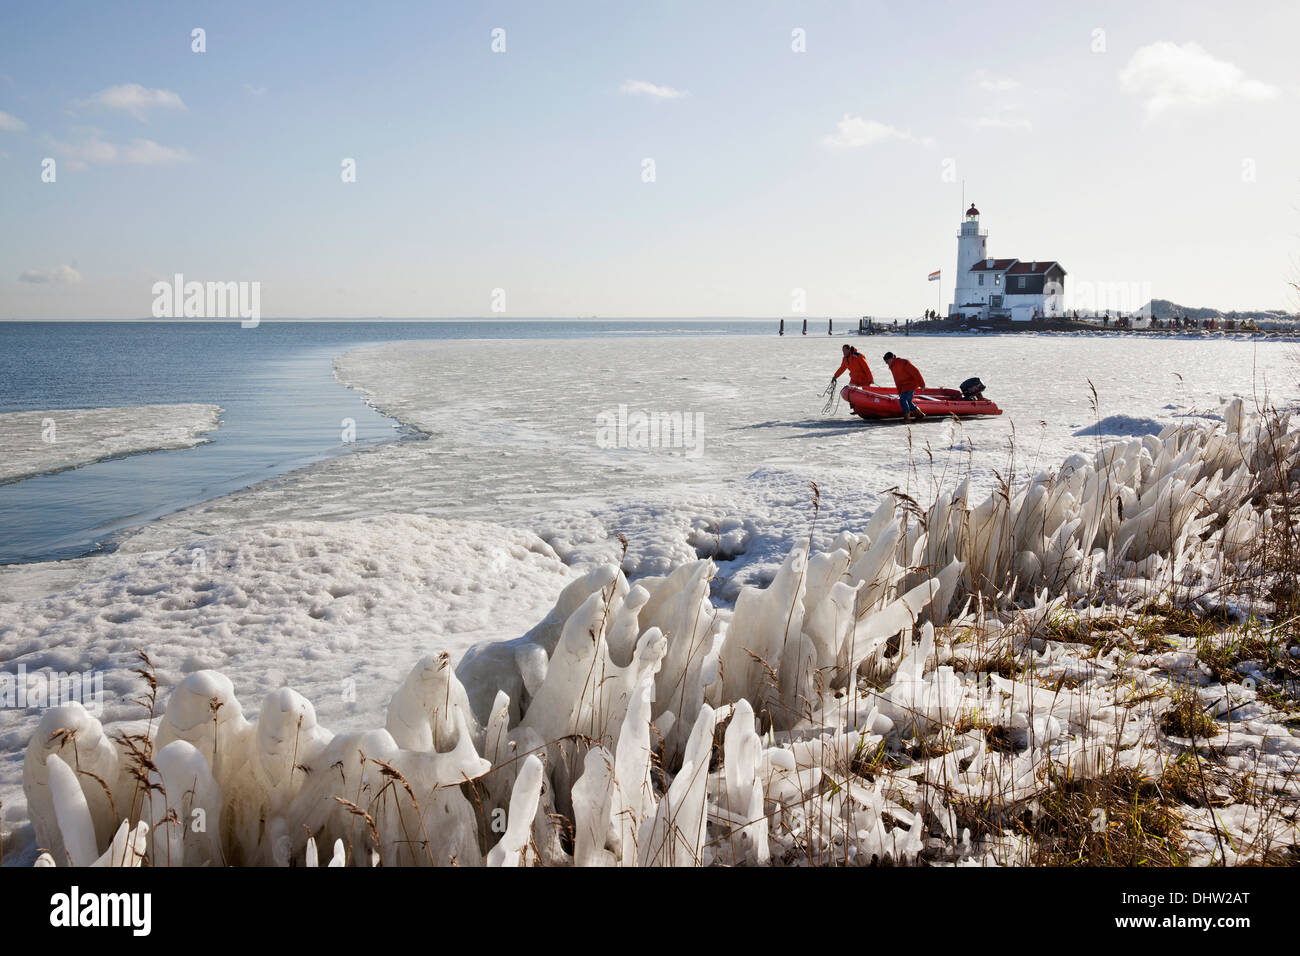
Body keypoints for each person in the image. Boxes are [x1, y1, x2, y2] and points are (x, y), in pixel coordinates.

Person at [883, 351, 925, 423]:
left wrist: (922, 384)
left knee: (902, 400)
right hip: (904, 386)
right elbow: (897, 380)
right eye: (885, 361)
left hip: (911, 384)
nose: (886, 363)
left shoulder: (903, 362)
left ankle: (907, 419)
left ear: (892, 359)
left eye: (887, 361)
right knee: (908, 401)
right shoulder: (892, 367)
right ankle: (920, 414)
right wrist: (899, 391)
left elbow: (915, 372)